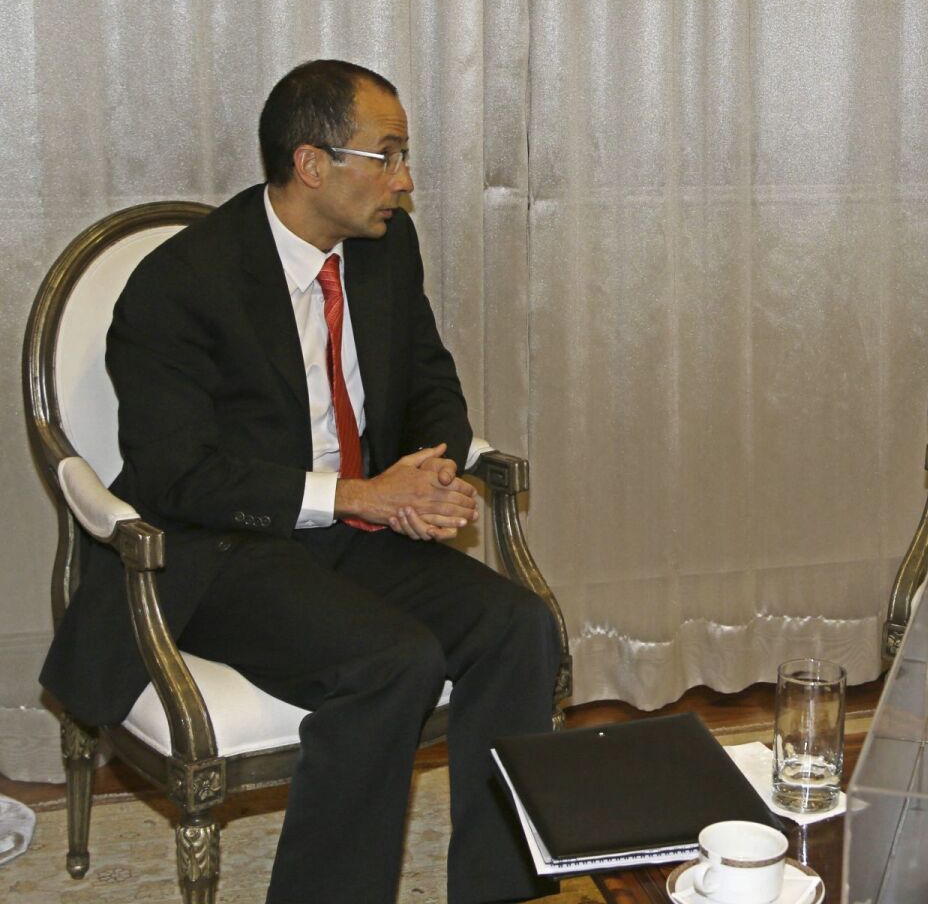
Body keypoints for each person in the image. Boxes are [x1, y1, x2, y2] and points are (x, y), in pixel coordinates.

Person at [40, 60, 561, 904]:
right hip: (221, 550)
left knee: (519, 629)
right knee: (394, 662)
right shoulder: (181, 285)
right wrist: (358, 495)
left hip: (355, 534)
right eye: (386, 155)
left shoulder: (385, 250)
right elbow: (176, 474)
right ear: (314, 163)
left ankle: (497, 893)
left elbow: (431, 379)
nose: (405, 179)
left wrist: (425, 475)